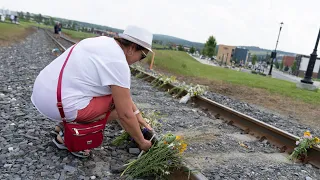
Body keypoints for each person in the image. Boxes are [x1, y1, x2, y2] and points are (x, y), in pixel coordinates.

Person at [31, 25, 153, 157]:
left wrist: (138, 116)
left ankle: (62, 126)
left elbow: (124, 98)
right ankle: (70, 136)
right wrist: (142, 142)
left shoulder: (102, 42)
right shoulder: (118, 62)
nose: (139, 61)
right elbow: (125, 113)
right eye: (142, 56)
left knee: (116, 99)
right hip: (57, 104)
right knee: (117, 108)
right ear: (132, 48)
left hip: (42, 92)